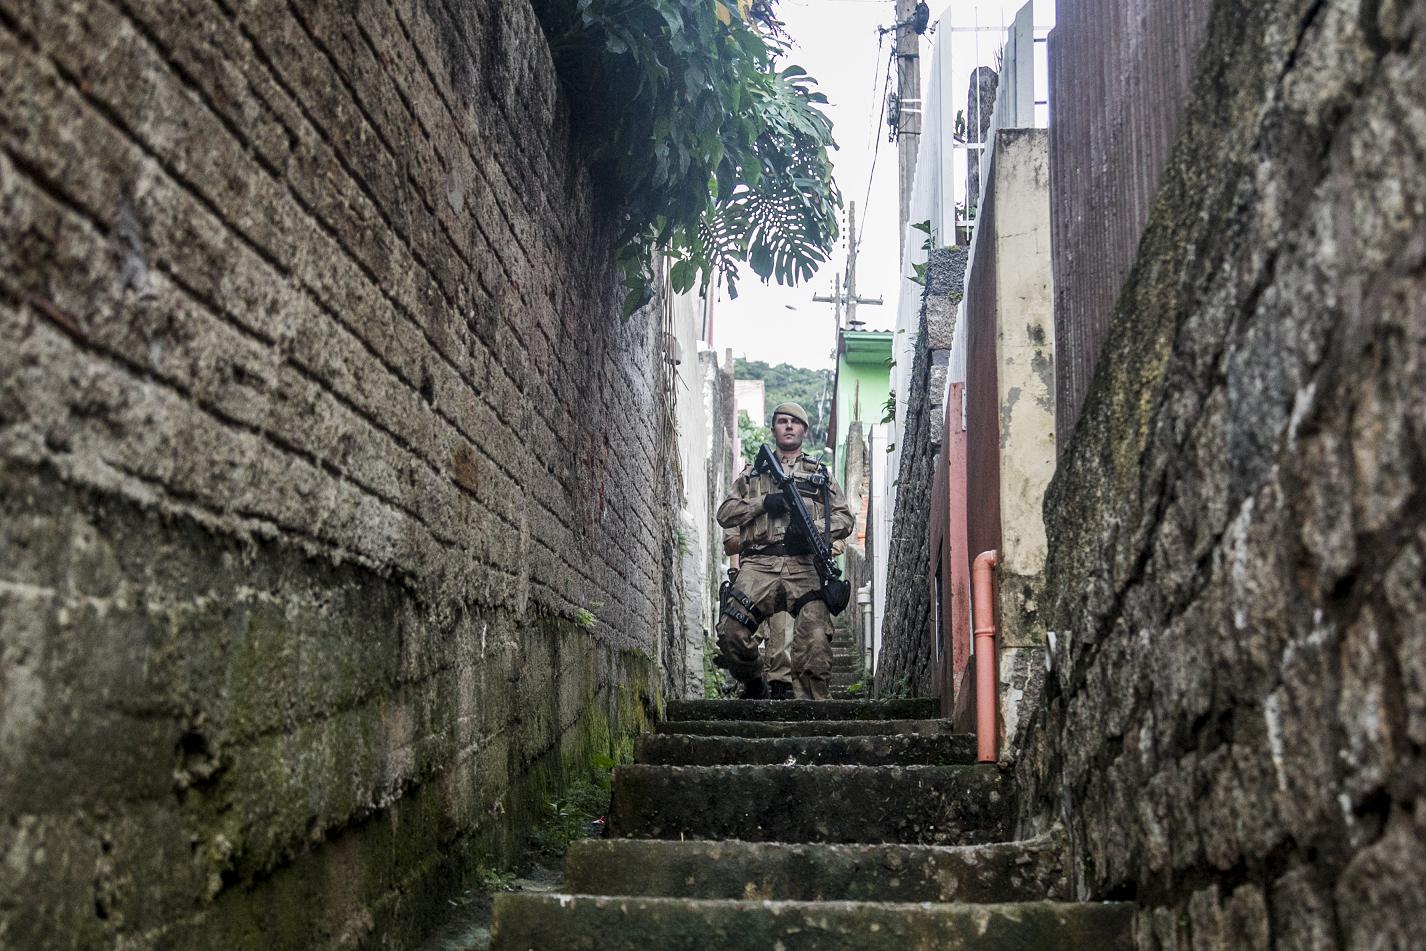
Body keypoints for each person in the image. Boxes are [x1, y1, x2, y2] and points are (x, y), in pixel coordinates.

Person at [714, 402, 853, 700]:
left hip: (803, 566)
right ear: (774, 428)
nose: (788, 426)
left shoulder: (820, 474)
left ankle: (812, 714)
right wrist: (763, 504)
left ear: (804, 430)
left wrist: (812, 528)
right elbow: (725, 514)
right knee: (730, 632)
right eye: (781, 421)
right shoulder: (752, 474)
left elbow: (845, 518)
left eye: (795, 422)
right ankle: (753, 681)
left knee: (815, 640)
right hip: (759, 565)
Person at [722, 529, 795, 699]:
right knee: (738, 633)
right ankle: (753, 682)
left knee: (782, 632)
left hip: (788, 570)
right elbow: (730, 543)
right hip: (753, 574)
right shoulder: (746, 504)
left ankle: (779, 685)